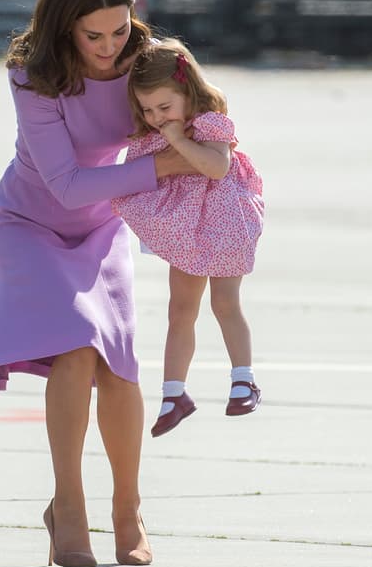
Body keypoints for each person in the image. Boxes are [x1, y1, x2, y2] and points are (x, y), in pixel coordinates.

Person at [0, 0, 196, 567]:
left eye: (120, 29)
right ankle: (70, 508)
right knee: (77, 350)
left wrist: (217, 163)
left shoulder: (150, 59)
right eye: (93, 35)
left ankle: (128, 510)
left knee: (119, 367)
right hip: (30, 222)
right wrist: (163, 164)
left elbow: (206, 117)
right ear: (64, 29)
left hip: (106, 223)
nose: (110, 46)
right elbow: (67, 184)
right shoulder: (32, 72)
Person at [111, 39, 265, 437]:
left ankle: (243, 379)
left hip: (225, 221)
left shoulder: (209, 121)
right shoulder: (154, 128)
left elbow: (215, 167)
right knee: (180, 310)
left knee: (225, 303)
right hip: (188, 228)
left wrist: (179, 140)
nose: (157, 117)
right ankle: (173, 394)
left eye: (164, 107)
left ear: (187, 91)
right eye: (147, 109)